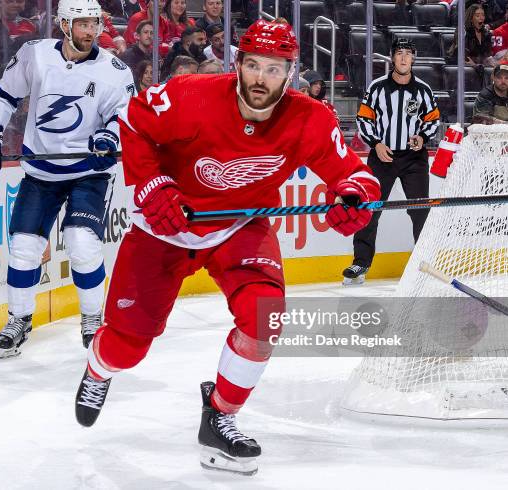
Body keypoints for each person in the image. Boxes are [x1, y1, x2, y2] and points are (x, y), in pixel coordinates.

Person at [74, 19, 380, 475]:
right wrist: (151, 185)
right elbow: (133, 122)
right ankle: (99, 370)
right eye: (253, 65)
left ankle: (219, 415)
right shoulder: (191, 94)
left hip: (240, 227)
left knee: (265, 317)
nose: (261, 78)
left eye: (274, 69)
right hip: (165, 227)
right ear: (238, 63)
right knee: (127, 347)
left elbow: (353, 173)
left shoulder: (311, 117)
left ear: (290, 73)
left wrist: (355, 199)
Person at [0, 0, 135, 359]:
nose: (91, 31)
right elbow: (4, 94)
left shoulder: (115, 70)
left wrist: (109, 138)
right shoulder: (36, 55)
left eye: (94, 24)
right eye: (82, 24)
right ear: (64, 25)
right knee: (24, 248)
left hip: (88, 174)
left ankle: (93, 319)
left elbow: (123, 117)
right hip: (41, 171)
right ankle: (19, 321)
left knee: (81, 242)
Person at [347, 38, 439, 285]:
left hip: (414, 159)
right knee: (370, 209)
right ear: (392, 57)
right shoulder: (376, 88)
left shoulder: (423, 90)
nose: (403, 58)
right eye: (399, 53)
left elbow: (433, 120)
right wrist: (376, 143)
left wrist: (422, 137)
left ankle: (425, 262)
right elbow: (364, 119)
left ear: (414, 58)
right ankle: (360, 263)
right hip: (382, 155)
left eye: (408, 53)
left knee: (420, 211)